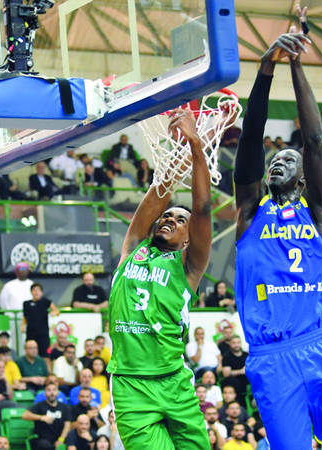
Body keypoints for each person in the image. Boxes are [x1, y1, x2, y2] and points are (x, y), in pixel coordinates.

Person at [232, 9, 322, 450]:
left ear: (303, 180)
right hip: (272, 361)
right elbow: (252, 140)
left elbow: (314, 141)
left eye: (288, 161)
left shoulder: (317, 215)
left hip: (320, 347)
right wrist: (264, 72)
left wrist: (296, 66)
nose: (279, 158)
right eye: (275, 158)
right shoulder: (250, 213)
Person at [106, 103, 226, 450]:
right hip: (131, 386)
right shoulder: (133, 248)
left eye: (179, 219)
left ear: (188, 239)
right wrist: (181, 147)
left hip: (175, 382)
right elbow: (159, 191)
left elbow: (202, 208)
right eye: (166, 216)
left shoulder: (189, 266)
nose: (169, 219)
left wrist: (197, 146)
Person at [23, 383, 72, 449]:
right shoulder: (39, 405)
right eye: (49, 390)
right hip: (42, 439)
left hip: (59, 437)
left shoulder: (64, 407)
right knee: (47, 446)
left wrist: (61, 439)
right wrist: (40, 417)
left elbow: (67, 425)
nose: (52, 393)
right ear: (45, 393)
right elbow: (25, 415)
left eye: (54, 390)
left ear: (58, 392)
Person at [22, 283, 59, 366]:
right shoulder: (26, 304)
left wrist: (54, 312)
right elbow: (25, 316)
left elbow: (56, 310)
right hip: (31, 334)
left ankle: (48, 375)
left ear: (41, 292)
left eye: (38, 290)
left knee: (46, 356)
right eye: (34, 290)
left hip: (43, 335)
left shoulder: (45, 302)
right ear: (31, 292)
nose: (36, 292)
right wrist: (22, 325)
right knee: (30, 354)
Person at [220, 336, 248, 405]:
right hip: (233, 381)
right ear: (230, 344)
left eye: (238, 342)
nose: (236, 345)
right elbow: (226, 374)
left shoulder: (246, 355)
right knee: (235, 382)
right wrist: (241, 371)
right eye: (234, 343)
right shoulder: (227, 356)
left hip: (246, 378)